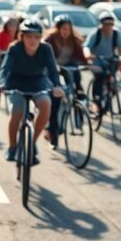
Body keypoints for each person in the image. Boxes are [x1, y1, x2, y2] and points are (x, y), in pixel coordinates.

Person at [0, 19, 65, 165]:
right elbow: (5, 68)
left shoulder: (46, 49)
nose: (32, 40)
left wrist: (57, 86)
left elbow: (53, 70)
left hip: (37, 80)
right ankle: (13, 146)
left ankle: (32, 142)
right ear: (21, 36)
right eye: (28, 36)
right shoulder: (14, 48)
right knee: (17, 111)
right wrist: (1, 84)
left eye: (36, 37)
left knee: (46, 104)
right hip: (16, 82)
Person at [45, 14, 87, 148]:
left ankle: (79, 109)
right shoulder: (50, 40)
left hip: (67, 67)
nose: (66, 32)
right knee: (55, 98)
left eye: (68, 29)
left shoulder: (74, 40)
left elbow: (80, 56)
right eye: (63, 29)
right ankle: (53, 134)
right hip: (52, 68)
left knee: (77, 80)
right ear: (57, 29)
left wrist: (86, 63)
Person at [84, 11, 121, 109]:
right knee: (99, 77)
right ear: (101, 24)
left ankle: (109, 97)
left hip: (111, 61)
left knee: (113, 82)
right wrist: (88, 55)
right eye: (106, 24)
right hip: (97, 61)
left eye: (111, 24)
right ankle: (96, 101)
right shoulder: (95, 34)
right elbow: (87, 46)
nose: (108, 27)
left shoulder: (117, 33)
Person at [0, 16, 21, 91]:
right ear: (6, 25)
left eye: (14, 25)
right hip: (3, 55)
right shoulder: (1, 33)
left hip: (16, 57)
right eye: (10, 25)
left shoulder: (20, 35)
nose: (12, 27)